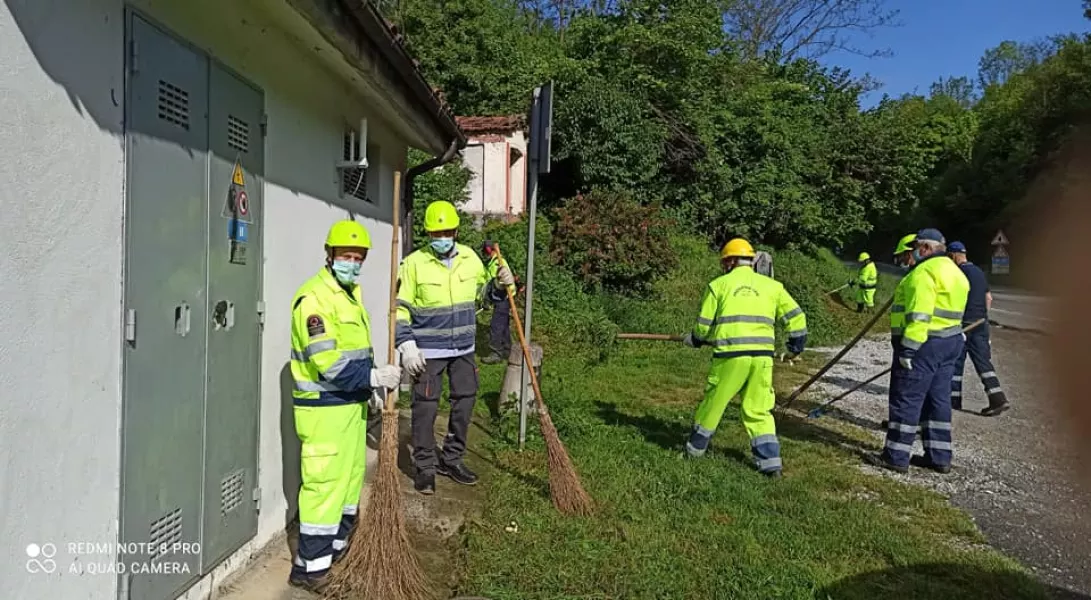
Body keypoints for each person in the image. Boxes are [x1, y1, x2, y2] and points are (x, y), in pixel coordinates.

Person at [288, 220, 403, 592]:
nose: (352, 263)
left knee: (349, 484)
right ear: (330, 254)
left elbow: (356, 352)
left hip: (351, 407)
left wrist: (369, 386)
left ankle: (335, 556)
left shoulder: (349, 295)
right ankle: (311, 571)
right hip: (325, 412)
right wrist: (373, 377)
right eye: (346, 256)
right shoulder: (314, 300)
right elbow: (328, 362)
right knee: (324, 488)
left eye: (358, 257)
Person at [395, 201, 514, 494]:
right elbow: (399, 308)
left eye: (447, 232)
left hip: (463, 348)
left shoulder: (470, 258)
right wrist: (406, 345)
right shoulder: (413, 264)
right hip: (427, 352)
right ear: (428, 234)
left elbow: (484, 296)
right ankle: (425, 467)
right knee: (425, 409)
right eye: (436, 233)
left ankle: (451, 459)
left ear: (456, 232)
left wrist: (499, 286)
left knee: (465, 403)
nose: (442, 238)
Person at [681, 238, 808, 477]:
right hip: (762, 359)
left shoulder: (718, 285)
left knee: (714, 404)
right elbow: (797, 317)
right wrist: (795, 346)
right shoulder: (773, 287)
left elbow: (703, 325)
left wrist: (695, 339)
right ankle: (771, 464)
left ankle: (694, 450)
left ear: (729, 261)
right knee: (758, 410)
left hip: (730, 357)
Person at [867, 228, 969, 475]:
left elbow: (919, 316)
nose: (911, 253)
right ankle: (939, 456)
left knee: (907, 397)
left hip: (924, 345)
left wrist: (908, 349)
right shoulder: (955, 272)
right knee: (938, 400)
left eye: (914, 248)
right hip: (950, 342)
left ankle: (895, 456)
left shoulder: (923, 274)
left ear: (925, 248)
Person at [947, 241, 1010, 416]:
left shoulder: (958, 272)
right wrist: (982, 316)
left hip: (964, 323)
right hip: (981, 322)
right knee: (983, 362)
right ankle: (997, 398)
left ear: (952, 255)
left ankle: (953, 400)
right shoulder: (979, 272)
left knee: (955, 361)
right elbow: (988, 298)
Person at [479, 240, 514, 364]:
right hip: (500, 298)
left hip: (503, 297)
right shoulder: (492, 263)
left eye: (485, 251)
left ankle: (496, 353)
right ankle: (507, 351)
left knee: (496, 326)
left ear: (489, 250)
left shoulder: (499, 262)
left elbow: (502, 282)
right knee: (503, 326)